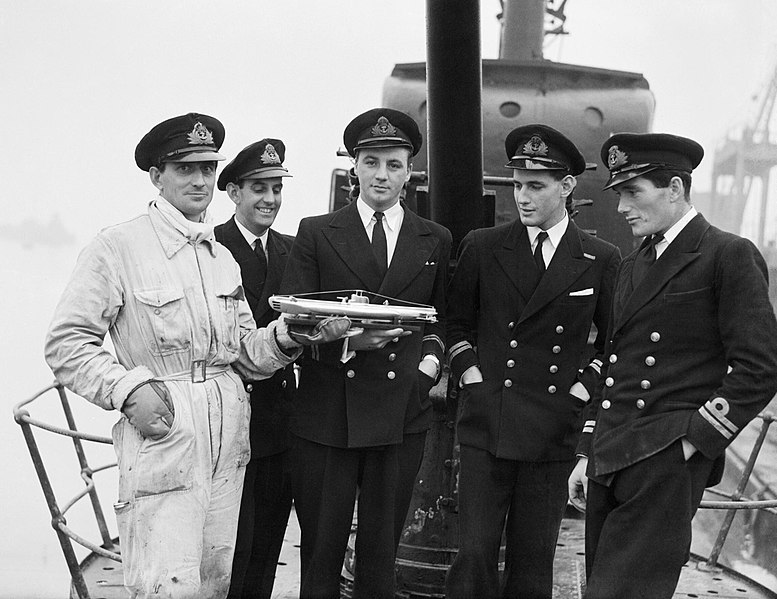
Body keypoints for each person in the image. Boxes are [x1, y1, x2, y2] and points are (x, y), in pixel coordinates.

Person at [44, 113, 343, 599]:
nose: (200, 180)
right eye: (185, 169)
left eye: (207, 168)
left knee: (214, 583)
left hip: (229, 439)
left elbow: (244, 355)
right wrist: (125, 389)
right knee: (166, 584)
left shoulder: (219, 257)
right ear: (156, 176)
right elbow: (66, 343)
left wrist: (291, 335)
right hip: (165, 432)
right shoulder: (118, 247)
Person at [567, 132, 777, 598]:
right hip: (612, 456)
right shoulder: (633, 264)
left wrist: (692, 441)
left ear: (676, 189)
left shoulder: (726, 255)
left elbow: (760, 367)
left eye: (632, 192)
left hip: (664, 459)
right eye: (619, 194)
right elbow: (612, 360)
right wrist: (587, 451)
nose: (622, 207)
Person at [279, 107, 451, 598]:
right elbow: (295, 323)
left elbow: (440, 317)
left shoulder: (433, 238)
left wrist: (427, 369)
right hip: (328, 412)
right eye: (371, 161)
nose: (382, 175)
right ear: (354, 166)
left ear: (409, 172)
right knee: (321, 554)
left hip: (400, 414)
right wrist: (350, 342)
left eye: (394, 164)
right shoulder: (316, 232)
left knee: (380, 556)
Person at [445, 124, 620, 599]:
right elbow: (454, 324)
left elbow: (612, 342)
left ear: (566, 188)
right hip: (488, 424)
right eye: (518, 185)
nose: (522, 197)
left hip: (551, 431)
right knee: (475, 555)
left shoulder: (600, 258)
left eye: (536, 186)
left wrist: (583, 388)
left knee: (532, 564)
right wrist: (472, 375)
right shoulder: (483, 246)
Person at [214, 138, 295, 599]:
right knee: (232, 544)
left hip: (282, 419)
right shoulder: (213, 247)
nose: (269, 199)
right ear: (234, 192)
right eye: (258, 188)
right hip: (232, 420)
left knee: (267, 540)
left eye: (276, 189)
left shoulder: (292, 250)